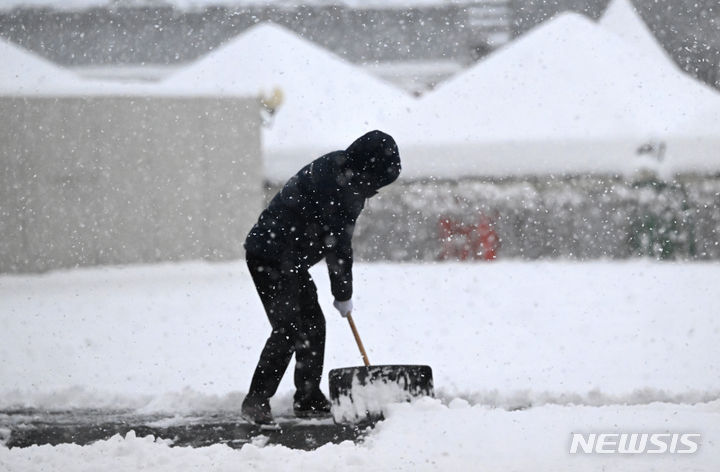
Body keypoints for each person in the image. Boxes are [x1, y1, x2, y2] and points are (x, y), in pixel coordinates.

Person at [241, 130, 401, 424]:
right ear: (367, 170)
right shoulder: (341, 188)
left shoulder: (344, 172)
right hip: (270, 255)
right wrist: (343, 294)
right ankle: (256, 400)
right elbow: (338, 248)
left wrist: (340, 291)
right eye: (377, 182)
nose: (375, 190)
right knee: (288, 328)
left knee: (313, 324)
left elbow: (334, 242)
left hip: (290, 258)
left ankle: (307, 396)